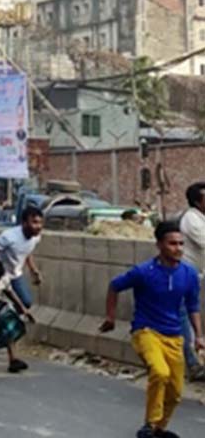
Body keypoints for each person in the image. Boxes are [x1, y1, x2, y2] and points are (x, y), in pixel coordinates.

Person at [100, 222, 203, 438]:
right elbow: (114, 285)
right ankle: (149, 423)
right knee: (160, 372)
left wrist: (198, 336)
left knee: (175, 392)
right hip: (146, 331)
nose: (178, 248)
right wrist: (110, 317)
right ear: (159, 245)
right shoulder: (143, 272)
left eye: (181, 244)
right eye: (172, 244)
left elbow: (193, 306)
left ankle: (159, 428)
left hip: (174, 335)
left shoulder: (189, 274)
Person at [0, 205, 44, 310]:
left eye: (40, 223)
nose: (39, 226)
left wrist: (33, 270)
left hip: (15, 274)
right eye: (34, 222)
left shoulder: (36, 237)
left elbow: (27, 252)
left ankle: (9, 313)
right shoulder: (8, 237)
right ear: (24, 223)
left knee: (26, 303)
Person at [178, 182, 205, 381]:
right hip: (186, 275)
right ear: (197, 201)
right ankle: (193, 364)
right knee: (183, 317)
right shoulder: (191, 220)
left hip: (196, 275)